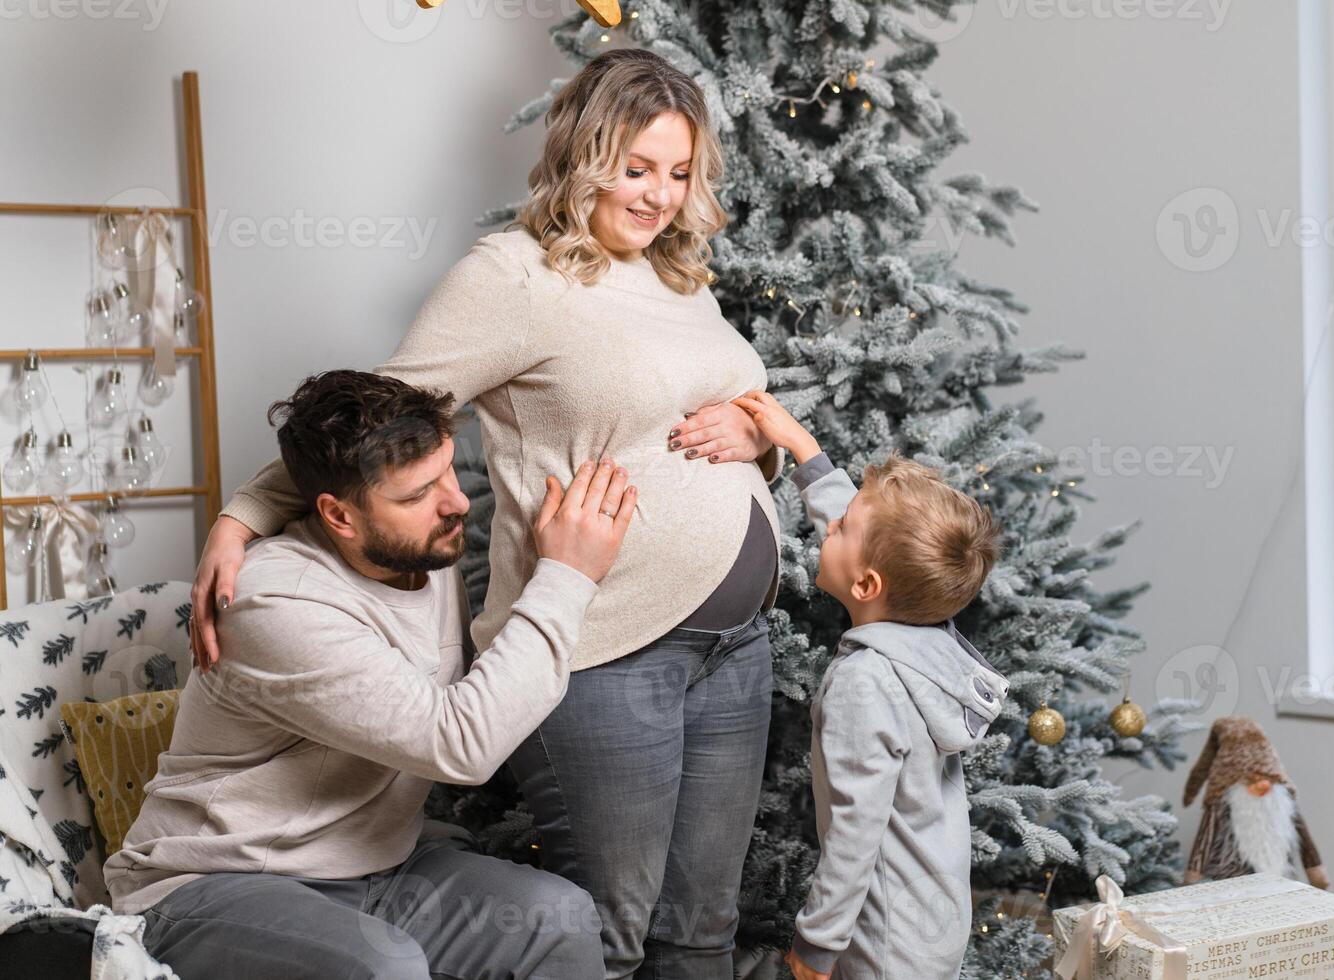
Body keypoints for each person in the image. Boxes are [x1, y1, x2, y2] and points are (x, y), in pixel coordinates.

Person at [188, 48, 784, 979]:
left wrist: (763, 444)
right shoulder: (513, 276)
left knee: (703, 931)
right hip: (607, 647)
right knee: (616, 937)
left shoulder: (682, 279)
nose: (659, 196)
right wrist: (242, 515)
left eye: (678, 173)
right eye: (636, 169)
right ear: (585, 156)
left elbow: (740, 406)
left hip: (735, 643)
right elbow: (379, 417)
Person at [105, 370, 636, 979]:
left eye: (445, 471)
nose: (457, 502)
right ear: (338, 516)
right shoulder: (275, 602)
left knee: (558, 919)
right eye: (416, 496)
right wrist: (568, 575)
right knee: (381, 969)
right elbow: (460, 744)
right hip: (213, 883)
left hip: (372, 869)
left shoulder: (419, 550)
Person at [731, 391, 1012, 980]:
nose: (830, 526)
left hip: (883, 941)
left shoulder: (865, 684)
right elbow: (866, 536)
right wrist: (804, 449)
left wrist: (816, 945)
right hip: (932, 922)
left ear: (865, 585)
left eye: (842, 527)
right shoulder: (925, 635)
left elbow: (857, 833)